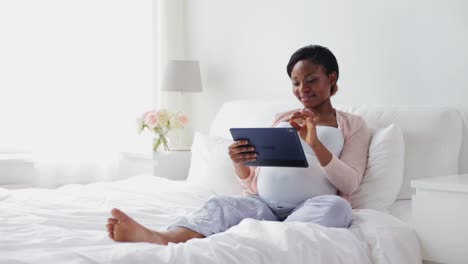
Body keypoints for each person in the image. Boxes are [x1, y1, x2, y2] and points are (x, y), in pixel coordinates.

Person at [106, 44, 371, 245]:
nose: (303, 88)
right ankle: (161, 237)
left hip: (311, 209)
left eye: (311, 79)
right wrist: (240, 162)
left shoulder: (353, 125)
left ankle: (265, 240)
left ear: (332, 78)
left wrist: (315, 143)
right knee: (220, 204)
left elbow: (349, 183)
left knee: (339, 209)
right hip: (263, 206)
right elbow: (251, 183)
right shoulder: (282, 119)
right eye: (295, 82)